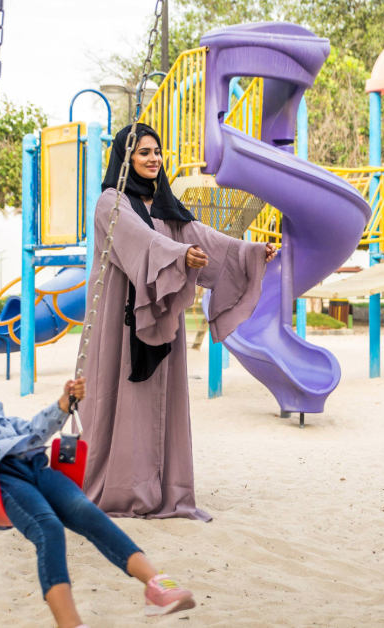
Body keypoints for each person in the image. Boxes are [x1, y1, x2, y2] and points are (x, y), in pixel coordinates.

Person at [0, 338, 195, 627]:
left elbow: (30, 433)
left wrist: (63, 404)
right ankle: (69, 623)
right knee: (48, 527)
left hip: (33, 466)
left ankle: (157, 587)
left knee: (87, 511)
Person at [82, 123, 277, 520]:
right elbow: (140, 241)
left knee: (160, 401)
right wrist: (179, 254)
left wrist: (250, 253)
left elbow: (203, 239)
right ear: (125, 159)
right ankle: (121, 488)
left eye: (157, 152)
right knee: (122, 398)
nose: (153, 159)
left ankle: (162, 488)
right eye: (143, 153)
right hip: (123, 321)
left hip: (161, 314)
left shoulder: (165, 205)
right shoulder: (110, 203)